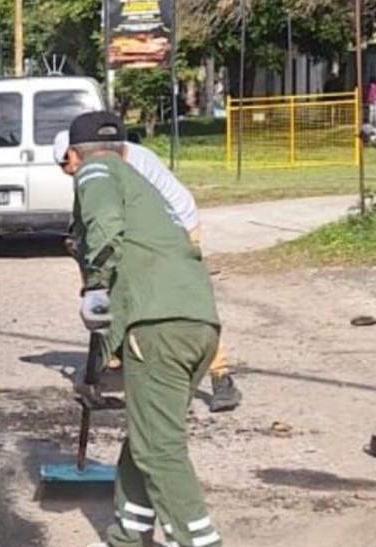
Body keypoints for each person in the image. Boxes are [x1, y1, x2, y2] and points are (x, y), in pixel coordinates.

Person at [65, 111, 237, 547]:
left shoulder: (96, 172)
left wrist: (96, 288)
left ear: (74, 156)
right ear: (125, 148)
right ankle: (130, 537)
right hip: (196, 323)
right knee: (147, 432)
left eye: (67, 161)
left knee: (159, 448)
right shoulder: (140, 183)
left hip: (158, 325)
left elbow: (104, 227)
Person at [55, 129, 243, 413]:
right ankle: (118, 361)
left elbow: (117, 223)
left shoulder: (119, 165)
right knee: (122, 292)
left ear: (75, 152)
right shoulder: (105, 162)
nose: (68, 172)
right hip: (154, 228)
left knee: (179, 303)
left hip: (177, 226)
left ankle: (221, 377)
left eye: (65, 164)